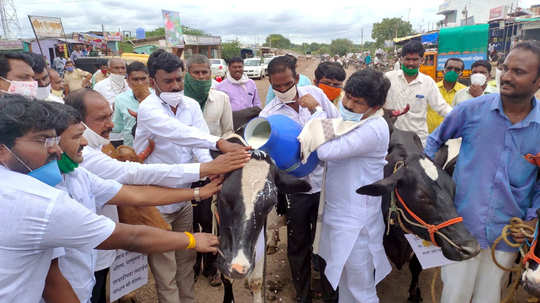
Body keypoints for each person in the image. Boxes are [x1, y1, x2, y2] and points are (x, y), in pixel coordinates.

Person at [0, 95, 219, 303]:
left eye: (53, 139)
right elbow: (130, 236)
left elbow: (134, 194)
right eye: (42, 140)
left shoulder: (75, 173)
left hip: (86, 276)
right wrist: (191, 240)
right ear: (3, 150)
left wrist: (197, 193)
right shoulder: (37, 200)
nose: (54, 149)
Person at [65, 88, 250, 303]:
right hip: (85, 260)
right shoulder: (88, 158)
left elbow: (134, 196)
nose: (111, 124)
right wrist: (206, 166)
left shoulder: (86, 160)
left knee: (184, 265)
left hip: (172, 206)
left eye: (110, 115)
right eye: (102, 118)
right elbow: (138, 174)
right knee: (165, 272)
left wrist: (197, 191)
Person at [425, 41, 540, 303]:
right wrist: (431, 190)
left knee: (489, 297)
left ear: (538, 81)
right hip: (462, 228)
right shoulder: (470, 110)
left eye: (519, 72)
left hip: (508, 234)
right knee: (454, 294)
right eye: (506, 69)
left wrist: (532, 220)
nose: (508, 76)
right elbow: (433, 142)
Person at [134, 49, 248, 303]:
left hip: (183, 198)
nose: (175, 86)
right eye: (168, 81)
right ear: (153, 81)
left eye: (179, 79)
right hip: (156, 202)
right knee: (165, 271)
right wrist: (219, 144)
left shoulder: (191, 105)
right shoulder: (148, 109)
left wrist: (213, 172)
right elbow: (181, 134)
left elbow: (198, 146)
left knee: (186, 262)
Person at [259, 55, 339, 303]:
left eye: (287, 83)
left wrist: (315, 109)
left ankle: (330, 294)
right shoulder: (269, 116)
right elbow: (266, 158)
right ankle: (302, 295)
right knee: (298, 244)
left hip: (327, 182)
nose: (282, 90)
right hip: (298, 191)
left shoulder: (316, 94)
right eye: (276, 86)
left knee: (328, 242)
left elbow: (337, 127)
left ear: (296, 77)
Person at [316, 69, 392, 303]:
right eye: (347, 96)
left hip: (357, 224)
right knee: (346, 285)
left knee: (362, 291)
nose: (347, 105)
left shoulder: (373, 128)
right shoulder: (355, 122)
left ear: (376, 106)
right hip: (342, 215)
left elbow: (324, 151)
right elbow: (335, 130)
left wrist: (316, 119)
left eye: (357, 102)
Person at [384, 40, 452, 145]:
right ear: (401, 59)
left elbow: (442, 107)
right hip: (390, 138)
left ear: (422, 60)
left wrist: (461, 119)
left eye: (415, 60)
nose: (411, 63)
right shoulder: (388, 78)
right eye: (407, 59)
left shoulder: (428, 82)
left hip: (417, 140)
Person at [185, 54, 234, 138]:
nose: (201, 76)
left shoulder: (222, 99)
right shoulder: (179, 100)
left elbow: (228, 132)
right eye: (196, 72)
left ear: (210, 73)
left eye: (204, 72)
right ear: (188, 74)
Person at [111, 61, 151, 146]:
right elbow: (117, 127)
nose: (140, 83)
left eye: (143, 79)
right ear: (128, 81)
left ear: (149, 79)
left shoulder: (158, 97)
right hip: (131, 150)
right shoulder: (120, 99)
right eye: (135, 79)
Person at [427, 58, 466, 133]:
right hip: (430, 137)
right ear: (443, 71)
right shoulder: (431, 88)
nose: (452, 71)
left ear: (461, 74)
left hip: (453, 139)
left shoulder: (465, 92)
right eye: (449, 68)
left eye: (457, 70)